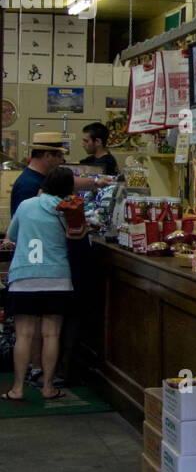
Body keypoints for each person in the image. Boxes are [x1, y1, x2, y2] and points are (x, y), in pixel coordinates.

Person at [3, 167, 85, 403]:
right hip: (57, 277)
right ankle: (48, 387)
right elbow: (77, 238)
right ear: (68, 188)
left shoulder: (26, 205)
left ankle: (17, 389)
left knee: (24, 335)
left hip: (24, 276)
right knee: (51, 334)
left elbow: (12, 235)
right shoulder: (68, 211)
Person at [10, 132, 111, 218]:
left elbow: (70, 181)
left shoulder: (45, 176)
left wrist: (97, 181)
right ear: (48, 156)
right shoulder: (27, 185)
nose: (62, 160)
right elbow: (25, 222)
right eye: (59, 156)